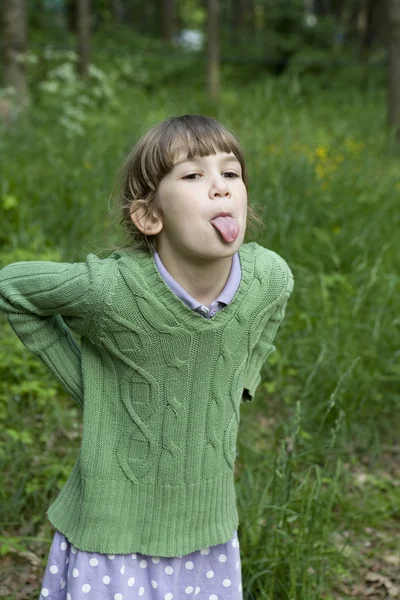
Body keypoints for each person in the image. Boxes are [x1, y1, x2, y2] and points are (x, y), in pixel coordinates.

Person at [0, 115, 294, 600]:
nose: (220, 187)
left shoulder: (268, 277)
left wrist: (243, 378)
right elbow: (13, 289)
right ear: (149, 216)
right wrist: (88, 385)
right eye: (194, 175)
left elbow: (271, 312)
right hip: (112, 536)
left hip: (209, 532)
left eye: (231, 173)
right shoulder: (111, 290)